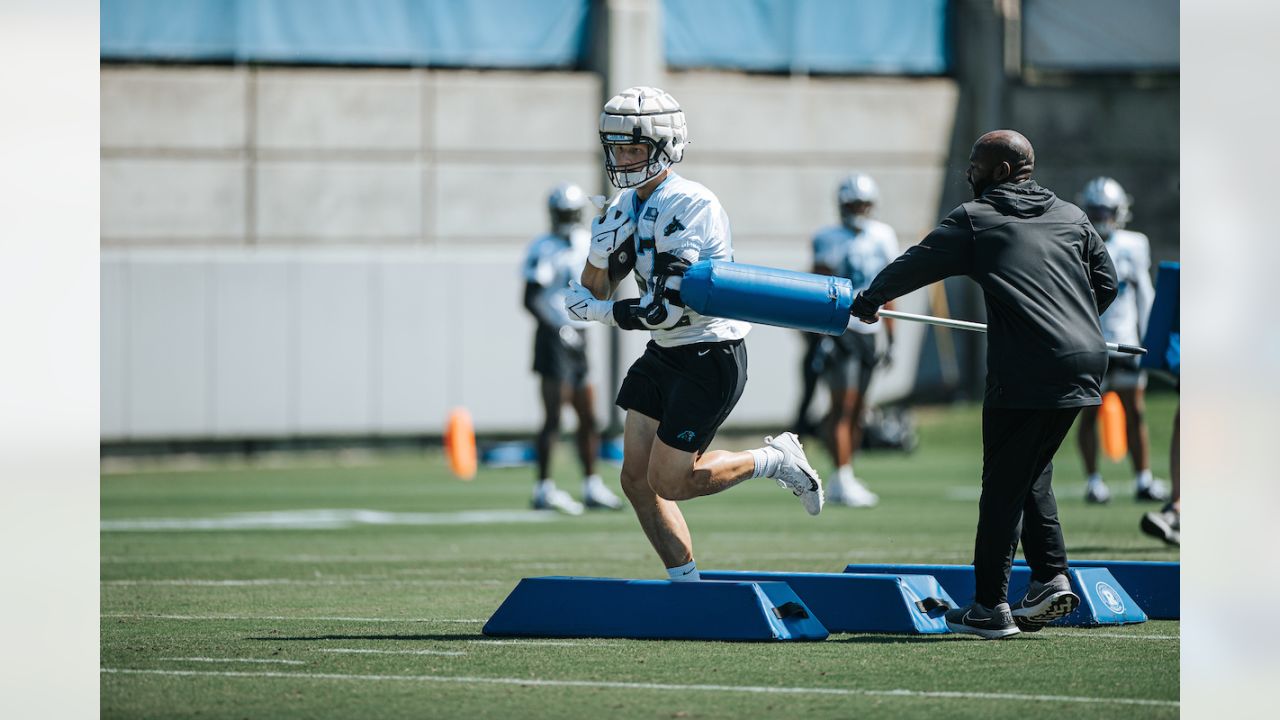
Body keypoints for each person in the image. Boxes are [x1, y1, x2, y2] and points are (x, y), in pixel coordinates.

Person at [850, 130, 1119, 639]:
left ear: (998, 171)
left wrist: (869, 300)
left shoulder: (975, 220)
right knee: (1030, 471)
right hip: (1086, 361)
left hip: (1026, 371)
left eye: (974, 165)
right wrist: (1067, 327)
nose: (968, 174)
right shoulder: (1072, 216)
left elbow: (916, 263)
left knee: (1001, 486)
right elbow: (1106, 284)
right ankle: (1048, 579)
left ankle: (990, 607)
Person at [564, 86, 824, 581]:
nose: (622, 158)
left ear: (666, 147)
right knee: (636, 481)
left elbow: (666, 309)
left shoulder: (690, 202)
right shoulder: (626, 204)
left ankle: (774, 458)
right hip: (665, 352)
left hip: (709, 351)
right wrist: (599, 253)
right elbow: (591, 289)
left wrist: (601, 312)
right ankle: (687, 583)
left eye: (634, 148)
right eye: (616, 147)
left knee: (671, 480)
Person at [521, 182, 624, 515]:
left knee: (588, 416)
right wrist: (558, 327)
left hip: (580, 336)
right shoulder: (543, 247)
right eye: (561, 213)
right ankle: (544, 488)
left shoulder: (586, 243)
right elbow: (530, 298)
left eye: (570, 213)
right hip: (553, 338)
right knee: (553, 417)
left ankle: (592, 484)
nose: (566, 219)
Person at [804, 172, 899, 507]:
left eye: (863, 203)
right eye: (853, 203)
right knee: (842, 406)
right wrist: (816, 336)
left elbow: (889, 288)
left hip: (871, 332)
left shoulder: (884, 236)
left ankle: (845, 473)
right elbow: (817, 287)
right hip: (839, 330)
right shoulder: (826, 237)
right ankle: (841, 475)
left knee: (858, 410)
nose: (858, 209)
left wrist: (892, 337)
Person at [1074, 177, 1169, 504]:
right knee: (1088, 413)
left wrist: (1152, 341)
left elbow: (1145, 294)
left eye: (1107, 210)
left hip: (1126, 341)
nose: (1102, 217)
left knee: (1135, 411)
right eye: (1096, 210)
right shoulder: (1075, 241)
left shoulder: (1134, 244)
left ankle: (1143, 478)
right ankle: (1093, 481)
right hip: (1091, 343)